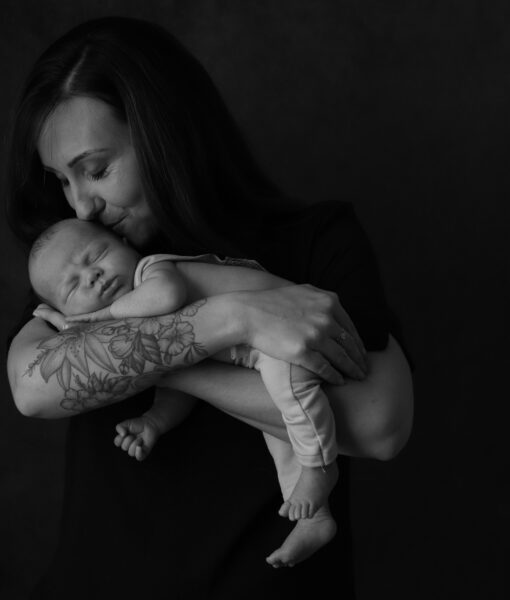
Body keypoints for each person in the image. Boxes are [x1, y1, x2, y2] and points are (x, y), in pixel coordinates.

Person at [6, 16, 413, 599]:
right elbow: (33, 386)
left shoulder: (315, 241)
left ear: (164, 135)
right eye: (62, 182)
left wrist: (168, 361)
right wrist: (235, 321)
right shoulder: (91, 266)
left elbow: (381, 422)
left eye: (96, 170)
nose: (81, 206)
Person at [27, 217, 346, 567]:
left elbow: (165, 298)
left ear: (124, 242)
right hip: (262, 353)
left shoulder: (154, 270)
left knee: (291, 393)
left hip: (290, 331)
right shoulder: (149, 322)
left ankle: (320, 469)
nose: (92, 275)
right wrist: (156, 421)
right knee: (281, 438)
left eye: (97, 254)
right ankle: (315, 518)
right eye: (73, 287)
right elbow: (178, 375)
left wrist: (99, 319)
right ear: (63, 311)